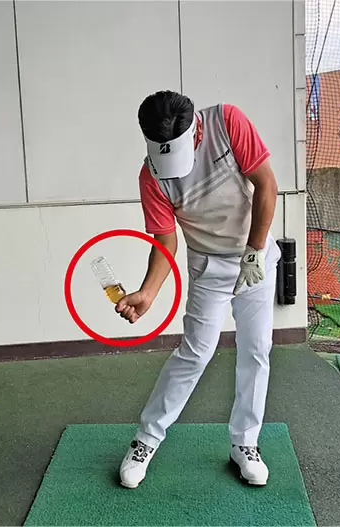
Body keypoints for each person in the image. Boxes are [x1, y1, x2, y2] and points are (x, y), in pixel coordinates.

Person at [115, 90, 281, 489]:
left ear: (195, 130)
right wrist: (148, 292)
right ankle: (146, 440)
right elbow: (165, 240)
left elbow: (266, 185)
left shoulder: (228, 122)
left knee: (256, 349)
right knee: (195, 353)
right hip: (208, 267)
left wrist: (255, 251)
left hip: (254, 255)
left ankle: (245, 443)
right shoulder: (151, 176)